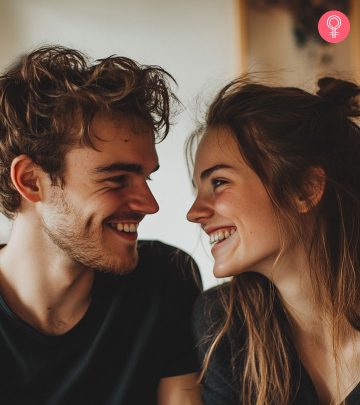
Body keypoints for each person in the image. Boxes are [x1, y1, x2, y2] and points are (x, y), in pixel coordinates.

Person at [0, 46, 202, 405]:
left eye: (146, 178)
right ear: (31, 181)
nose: (149, 206)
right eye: (117, 179)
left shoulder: (165, 278)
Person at [187, 76, 360, 405]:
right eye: (198, 189)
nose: (194, 213)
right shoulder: (225, 326)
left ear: (304, 189)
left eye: (219, 182)